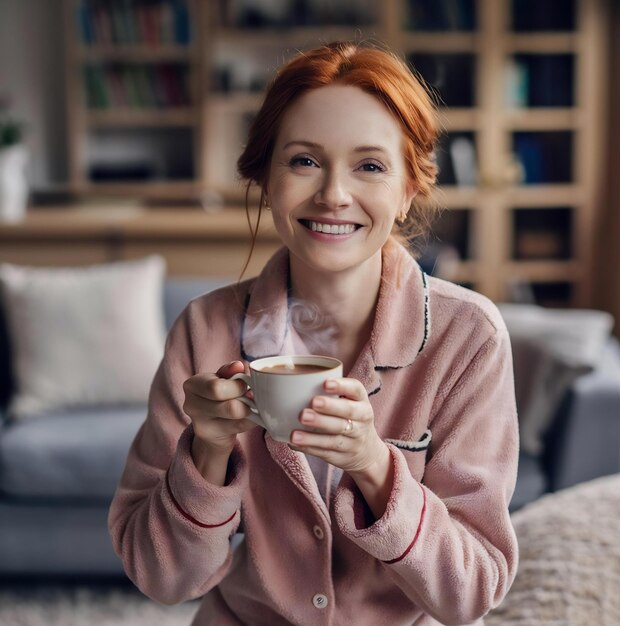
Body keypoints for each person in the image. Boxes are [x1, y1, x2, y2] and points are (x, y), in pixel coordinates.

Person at [108, 41, 519, 626]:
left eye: (370, 166)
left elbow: (472, 593)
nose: (332, 194)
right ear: (266, 178)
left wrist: (373, 465)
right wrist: (207, 451)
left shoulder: (468, 338)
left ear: (408, 190)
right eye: (303, 160)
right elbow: (165, 580)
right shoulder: (205, 330)